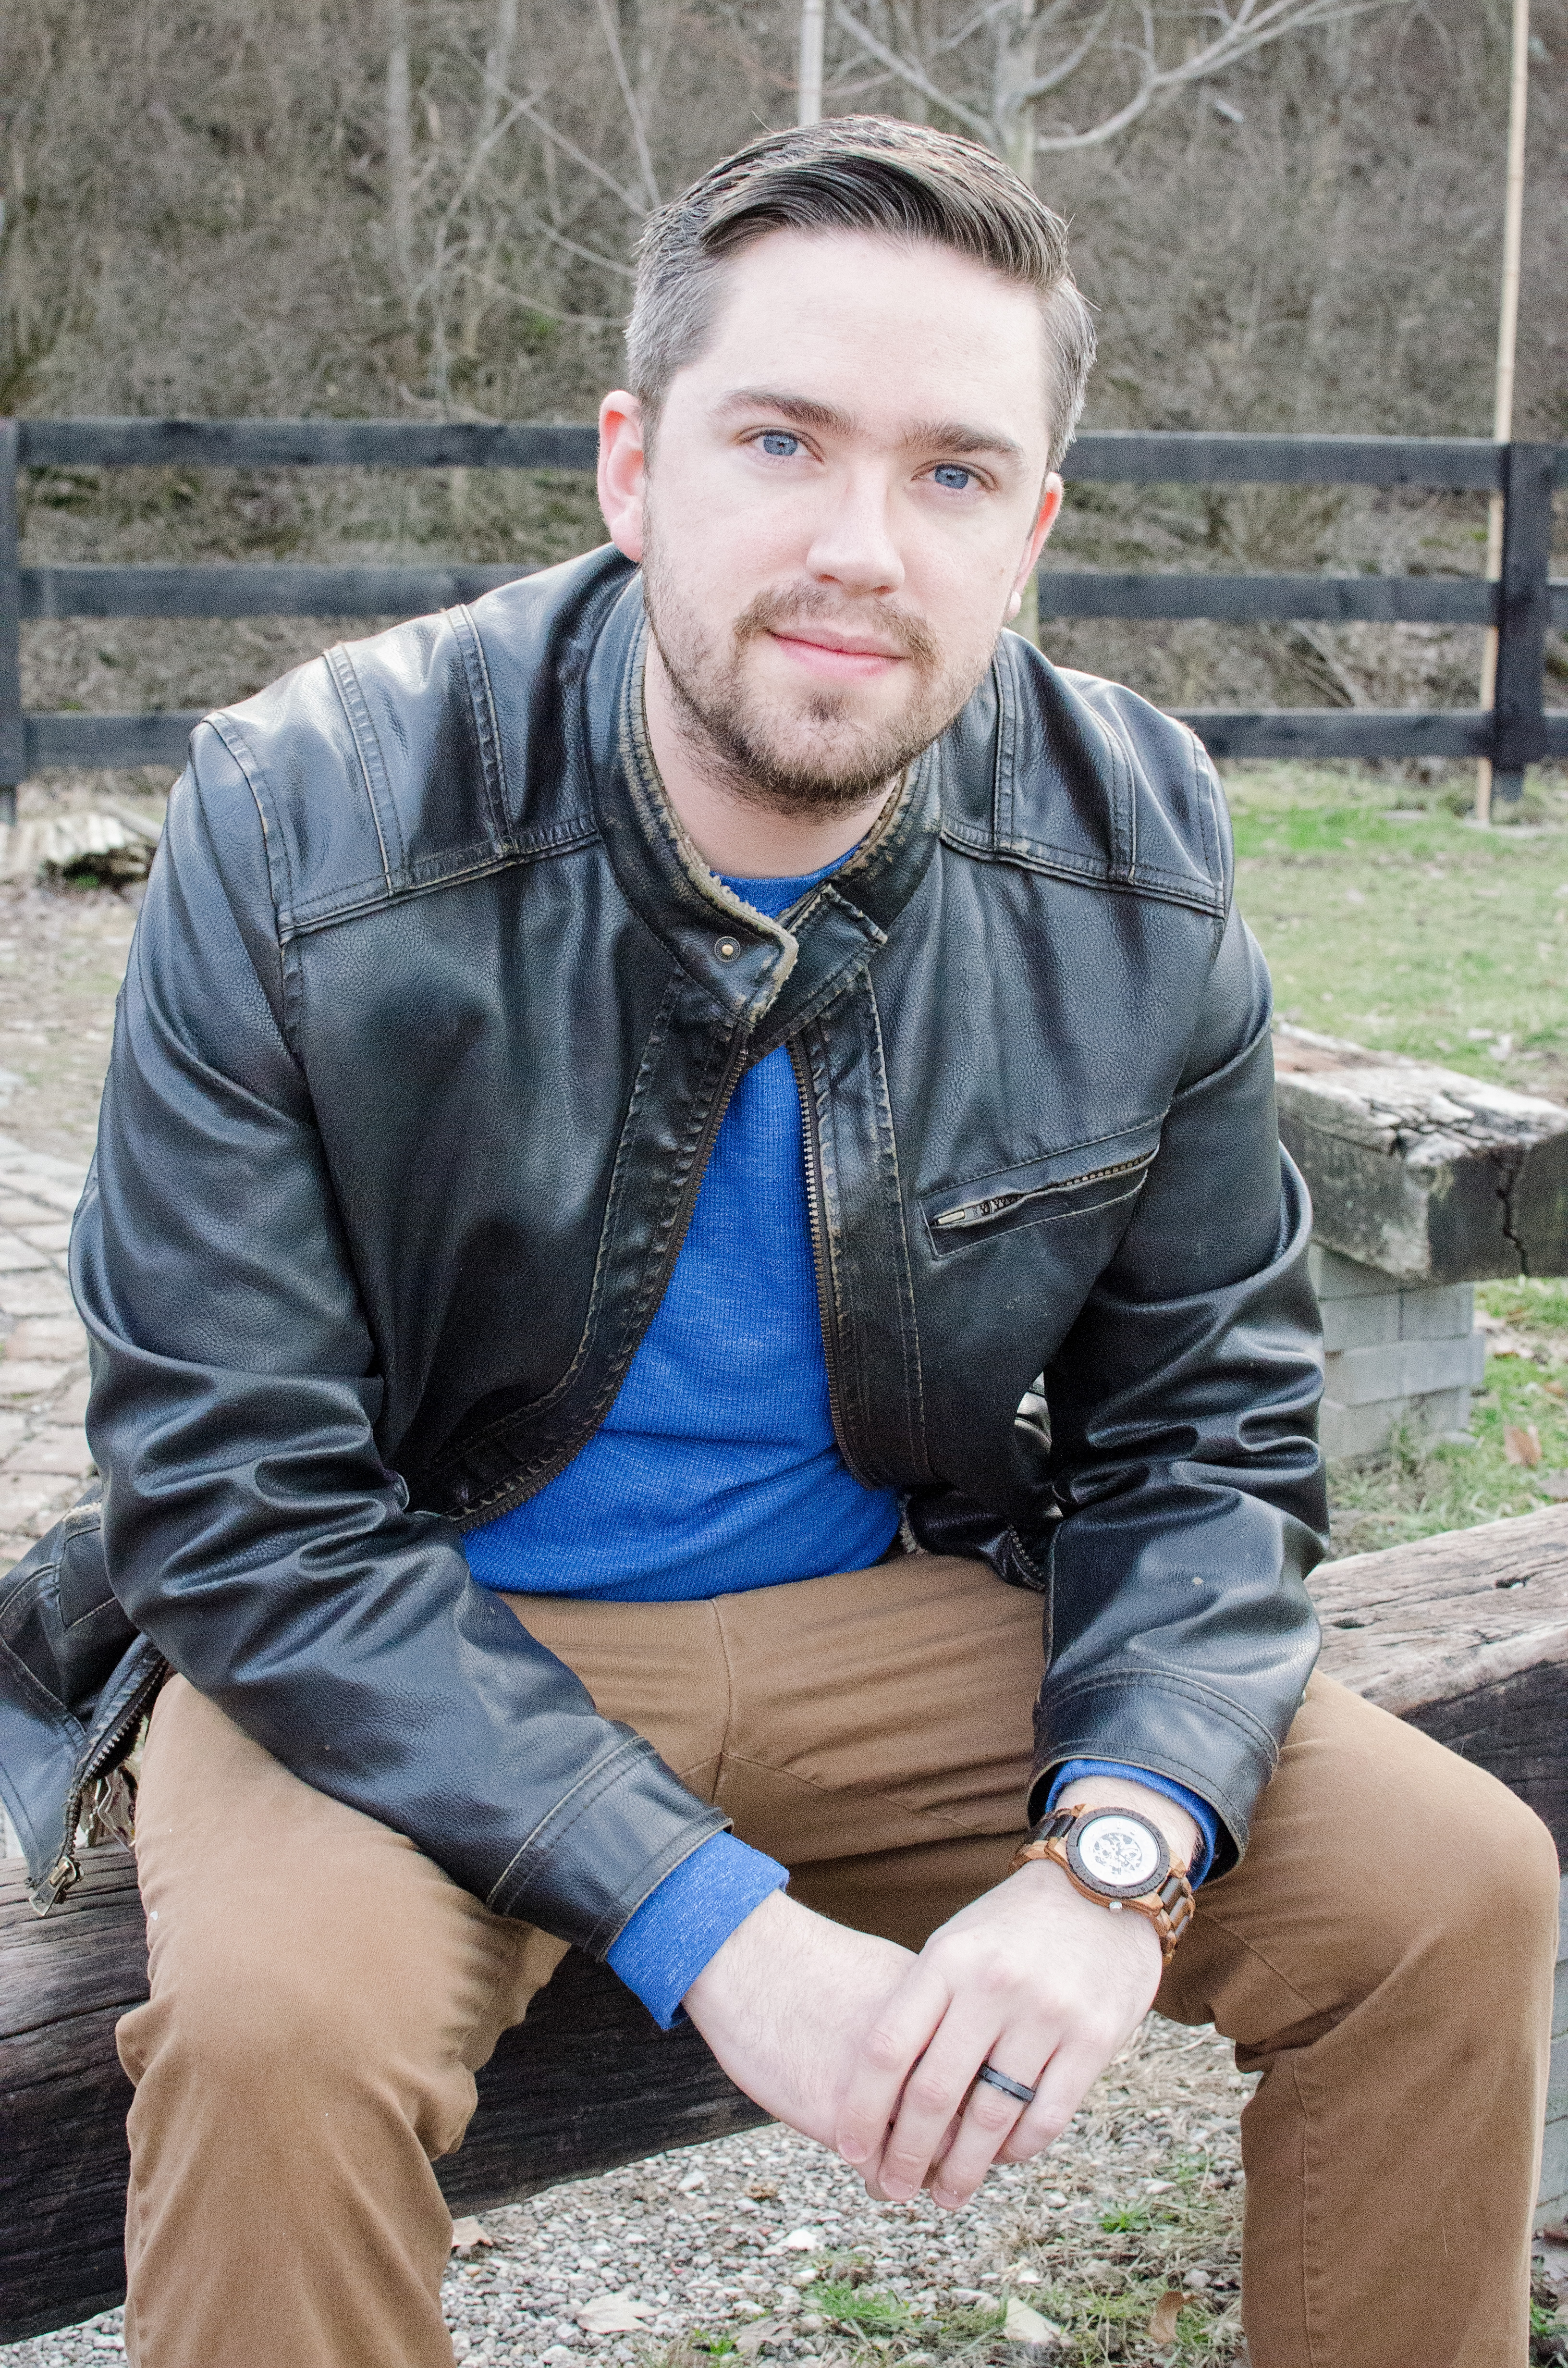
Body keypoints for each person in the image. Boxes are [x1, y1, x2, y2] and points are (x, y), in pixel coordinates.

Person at [70, 116, 1554, 2368]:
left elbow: (1215, 1440)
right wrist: (714, 1926)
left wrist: (1118, 1852)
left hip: (886, 1617)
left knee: (1456, 1887)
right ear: (633, 464)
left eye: (957, 472)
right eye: (783, 438)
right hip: (399, 1625)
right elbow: (231, 1496)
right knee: (279, 2037)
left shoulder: (1138, 853)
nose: (863, 548)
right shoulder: (304, 819)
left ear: (1035, 527)